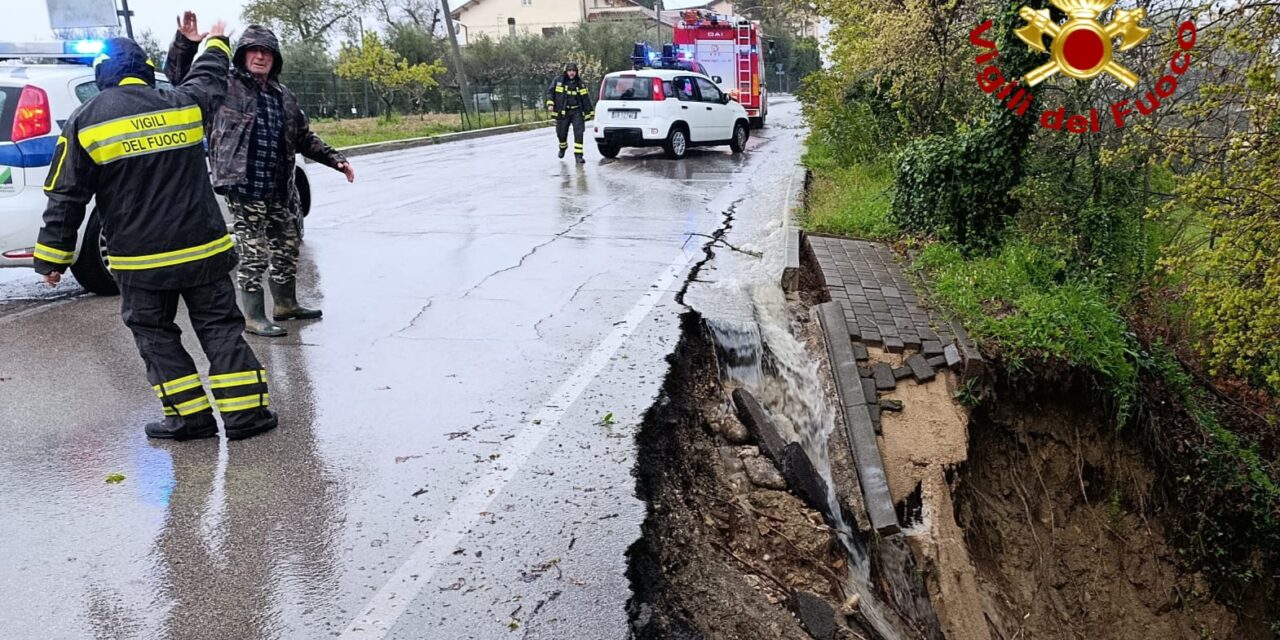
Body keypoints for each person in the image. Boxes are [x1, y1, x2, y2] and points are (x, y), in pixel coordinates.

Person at [34, 28, 278, 441]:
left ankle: (189, 420)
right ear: (147, 72)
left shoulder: (86, 120)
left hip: (140, 262)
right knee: (220, 328)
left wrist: (52, 259)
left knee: (156, 336)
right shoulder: (182, 103)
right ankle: (246, 418)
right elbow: (208, 77)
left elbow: (66, 195)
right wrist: (214, 41)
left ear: (102, 76)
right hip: (204, 249)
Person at [166, 13, 354, 338]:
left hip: (280, 188)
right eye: (253, 50)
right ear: (242, 55)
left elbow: (304, 138)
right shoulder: (224, 85)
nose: (260, 56)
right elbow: (180, 79)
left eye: (266, 52)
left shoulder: (284, 96)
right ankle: (253, 316)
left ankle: (286, 305)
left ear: (274, 58)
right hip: (245, 186)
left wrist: (336, 160)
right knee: (253, 253)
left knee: (288, 245)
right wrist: (185, 43)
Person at [546, 63, 594, 164]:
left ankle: (578, 156)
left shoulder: (580, 83)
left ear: (576, 72)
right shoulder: (558, 81)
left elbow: (586, 99)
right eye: (569, 70)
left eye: (573, 71)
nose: (571, 73)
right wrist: (550, 104)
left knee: (579, 133)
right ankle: (562, 147)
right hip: (563, 112)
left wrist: (590, 112)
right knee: (561, 133)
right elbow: (550, 92)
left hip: (577, 112)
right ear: (566, 71)